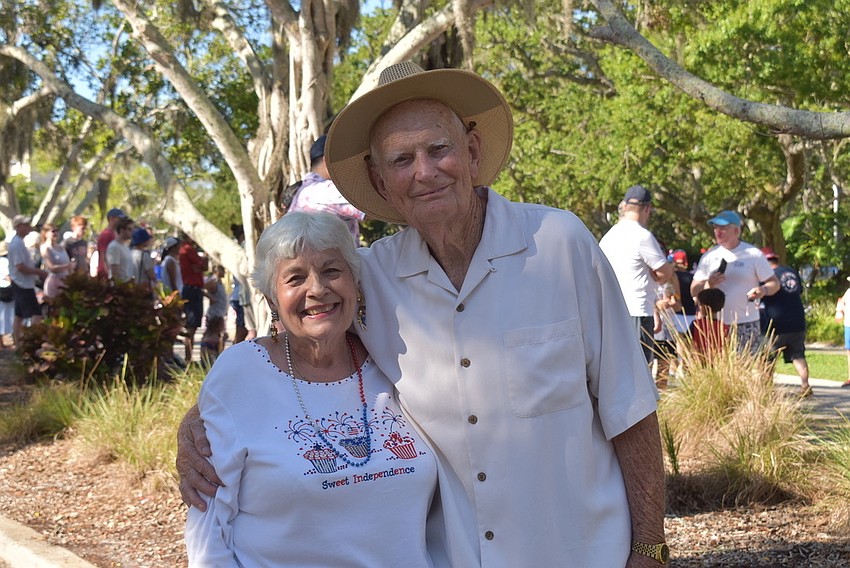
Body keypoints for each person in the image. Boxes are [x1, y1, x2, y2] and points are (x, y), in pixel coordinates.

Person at [178, 61, 668, 567]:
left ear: (472, 152)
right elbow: (301, 332)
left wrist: (651, 547)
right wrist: (205, 416)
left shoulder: (559, 246)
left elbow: (629, 406)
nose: (424, 172)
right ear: (378, 178)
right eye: (401, 159)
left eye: (439, 149)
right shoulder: (370, 278)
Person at [183, 212, 439, 566]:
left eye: (332, 270)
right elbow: (208, 527)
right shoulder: (241, 374)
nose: (317, 289)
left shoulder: (392, 356)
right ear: (272, 299)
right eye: (295, 277)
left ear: (356, 282)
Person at [599, 185, 674, 364]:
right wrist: (662, 274)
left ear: (625, 207)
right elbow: (665, 272)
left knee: (616, 369)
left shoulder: (609, 236)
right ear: (647, 209)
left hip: (611, 311)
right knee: (638, 373)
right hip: (637, 310)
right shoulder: (642, 236)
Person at [691, 210, 780, 351]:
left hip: (746, 322)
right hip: (714, 323)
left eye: (723, 228)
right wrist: (709, 283)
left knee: (747, 368)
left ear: (736, 231)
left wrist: (763, 290)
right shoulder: (709, 256)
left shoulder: (753, 254)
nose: (718, 232)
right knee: (716, 368)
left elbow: (774, 283)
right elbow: (694, 290)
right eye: (715, 228)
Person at [287, 135, 366, 245]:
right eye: (345, 161)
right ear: (328, 161)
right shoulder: (327, 191)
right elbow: (373, 208)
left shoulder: (303, 192)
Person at [758, 248, 811, 397]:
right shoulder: (790, 272)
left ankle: (766, 388)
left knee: (767, 356)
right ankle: (805, 385)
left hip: (776, 322)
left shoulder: (767, 277)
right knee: (798, 354)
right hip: (797, 321)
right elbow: (797, 291)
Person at [7, 215, 48, 345]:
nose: (28, 227)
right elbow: (20, 266)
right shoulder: (16, 244)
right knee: (36, 314)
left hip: (22, 283)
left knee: (19, 316)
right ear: (18, 227)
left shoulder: (19, 242)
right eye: (25, 225)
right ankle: (33, 341)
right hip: (22, 284)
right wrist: (39, 272)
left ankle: (19, 343)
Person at [180, 235, 208, 363]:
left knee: (193, 325)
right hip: (192, 289)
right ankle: (188, 358)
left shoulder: (185, 250)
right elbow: (203, 265)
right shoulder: (187, 249)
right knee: (192, 325)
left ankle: (188, 358)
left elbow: (200, 267)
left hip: (191, 289)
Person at [228, 224, 257, 344]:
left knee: (244, 329)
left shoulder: (238, 250)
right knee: (248, 330)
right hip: (244, 295)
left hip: (240, 295)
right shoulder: (245, 249)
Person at [39, 223, 74, 304]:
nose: (55, 233)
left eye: (57, 231)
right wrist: (67, 266)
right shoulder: (45, 248)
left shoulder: (61, 247)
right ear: (45, 233)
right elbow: (52, 268)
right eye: (53, 231)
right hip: (54, 283)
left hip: (65, 281)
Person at [689, 288, 730, 357]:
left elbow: (687, 343)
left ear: (703, 306)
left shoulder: (696, 324)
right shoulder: (724, 327)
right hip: (719, 363)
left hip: (697, 361)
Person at [200, 265, 227, 362]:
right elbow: (202, 288)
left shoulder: (219, 282)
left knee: (220, 335)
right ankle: (206, 357)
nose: (224, 272)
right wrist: (211, 297)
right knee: (212, 334)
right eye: (222, 270)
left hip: (219, 312)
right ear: (217, 270)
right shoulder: (214, 281)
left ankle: (216, 355)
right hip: (214, 313)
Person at [96, 208, 127, 278]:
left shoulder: (115, 234)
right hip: (106, 274)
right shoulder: (106, 234)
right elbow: (104, 256)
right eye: (119, 219)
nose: (121, 222)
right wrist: (110, 275)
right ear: (112, 219)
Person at [105, 217, 135, 282]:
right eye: (129, 229)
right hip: (120, 287)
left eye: (132, 229)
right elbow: (114, 273)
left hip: (128, 285)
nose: (132, 232)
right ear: (122, 230)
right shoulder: (114, 247)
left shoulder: (125, 246)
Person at [835, 280, 850, 388]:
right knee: (849, 351)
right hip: (848, 325)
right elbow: (841, 302)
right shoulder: (848, 292)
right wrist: (839, 310)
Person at [0, 241, 14, 348]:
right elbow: (9, 277)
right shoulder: (6, 261)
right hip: (7, 291)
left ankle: (2, 343)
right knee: (8, 316)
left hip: (2, 290)